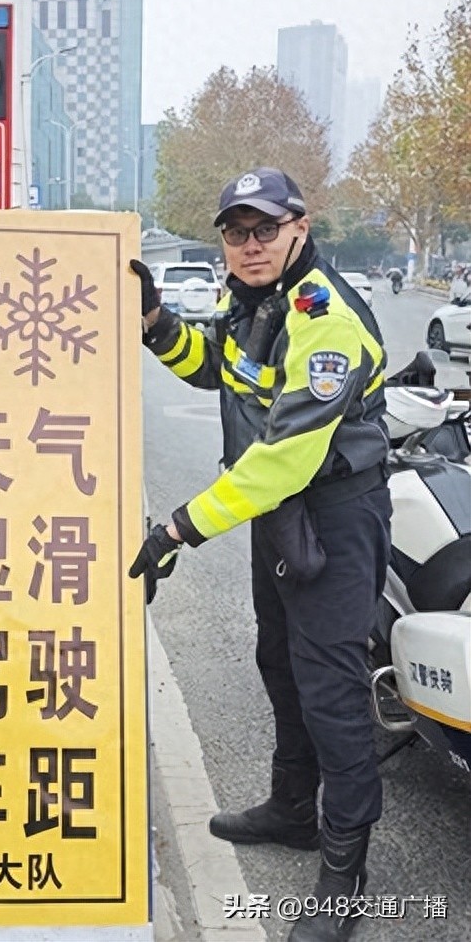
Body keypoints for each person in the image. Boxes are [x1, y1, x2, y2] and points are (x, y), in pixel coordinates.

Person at [130, 168, 391, 942]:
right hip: (277, 515)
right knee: (279, 659)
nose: (249, 245)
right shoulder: (247, 301)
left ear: (299, 229)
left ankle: (344, 874)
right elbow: (216, 366)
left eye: (264, 229)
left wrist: (177, 527)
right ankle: (291, 809)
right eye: (236, 232)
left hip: (335, 516)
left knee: (334, 692)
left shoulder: (326, 319)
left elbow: (282, 457)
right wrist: (153, 321)